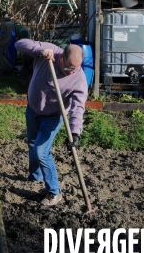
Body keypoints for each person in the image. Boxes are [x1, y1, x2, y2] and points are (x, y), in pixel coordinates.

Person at [14, 39, 88, 207]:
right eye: (69, 68)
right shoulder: (50, 52)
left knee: (41, 151)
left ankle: (55, 192)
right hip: (32, 110)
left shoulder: (79, 79)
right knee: (32, 144)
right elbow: (19, 44)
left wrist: (75, 131)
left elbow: (78, 107)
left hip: (53, 116)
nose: (71, 73)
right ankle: (35, 177)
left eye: (75, 69)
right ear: (61, 56)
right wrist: (39, 51)